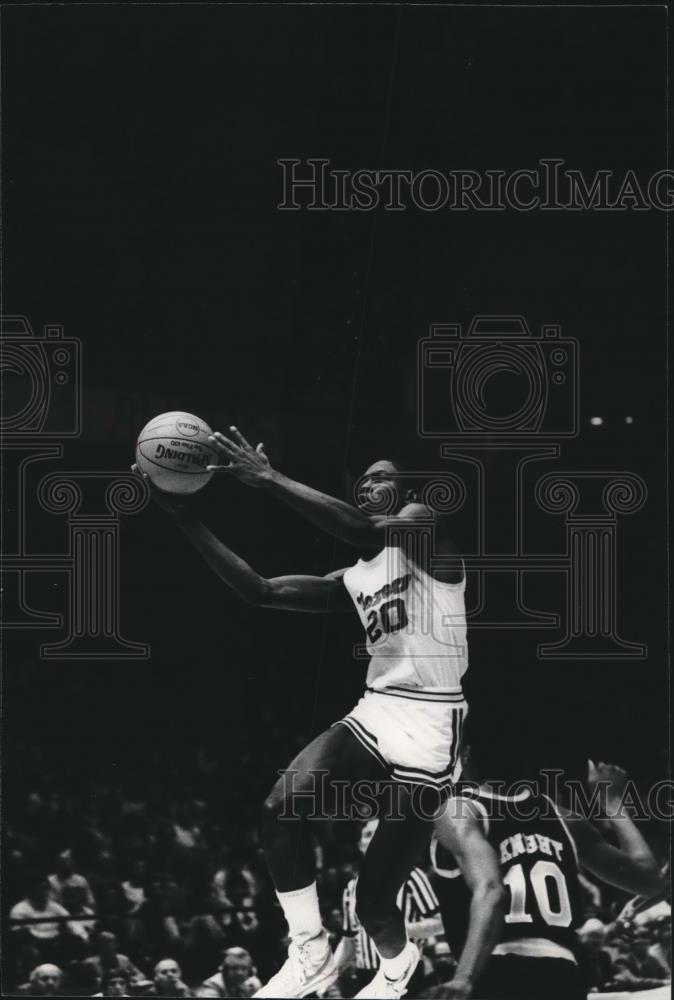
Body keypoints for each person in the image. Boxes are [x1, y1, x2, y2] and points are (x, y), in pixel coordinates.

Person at [133, 433, 468, 1000]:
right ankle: (309, 946)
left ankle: (398, 965)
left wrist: (269, 479)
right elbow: (259, 591)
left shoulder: (421, 521)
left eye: (379, 476)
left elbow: (362, 531)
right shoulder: (355, 578)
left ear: (405, 491)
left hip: (435, 721)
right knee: (280, 807)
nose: (367, 484)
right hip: (381, 707)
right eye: (361, 480)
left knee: (374, 906)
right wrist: (185, 518)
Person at [431, 760, 665, 999]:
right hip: (562, 974)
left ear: (466, 754)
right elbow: (651, 881)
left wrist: (464, 977)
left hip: (494, 967)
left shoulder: (460, 811)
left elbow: (491, 890)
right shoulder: (564, 819)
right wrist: (612, 801)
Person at [334, 819, 443, 997]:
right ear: (359, 845)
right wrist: (327, 977)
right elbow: (348, 941)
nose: (372, 840)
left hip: (406, 973)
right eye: (368, 835)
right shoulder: (351, 888)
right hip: (365, 974)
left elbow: (439, 923)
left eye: (378, 834)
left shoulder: (411, 876)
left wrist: (393, 933)